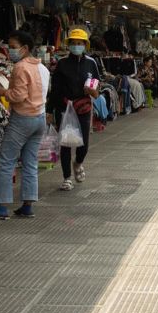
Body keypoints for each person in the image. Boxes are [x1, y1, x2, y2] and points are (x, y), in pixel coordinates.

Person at [0, 30, 46, 219]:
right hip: (39, 118)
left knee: (6, 161)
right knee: (30, 163)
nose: (10, 51)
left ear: (25, 48)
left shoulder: (21, 67)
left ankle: (1, 207)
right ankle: (27, 205)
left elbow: (19, 95)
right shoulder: (39, 66)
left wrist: (3, 93)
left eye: (13, 47)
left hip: (23, 118)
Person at [47, 28, 100, 191]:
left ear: (85, 45)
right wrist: (49, 110)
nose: (76, 46)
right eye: (73, 43)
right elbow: (54, 90)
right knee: (65, 143)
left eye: (80, 43)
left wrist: (91, 92)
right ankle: (66, 177)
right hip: (65, 107)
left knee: (83, 144)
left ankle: (78, 163)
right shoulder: (62, 64)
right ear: (69, 45)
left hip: (83, 107)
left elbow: (97, 90)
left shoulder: (91, 63)